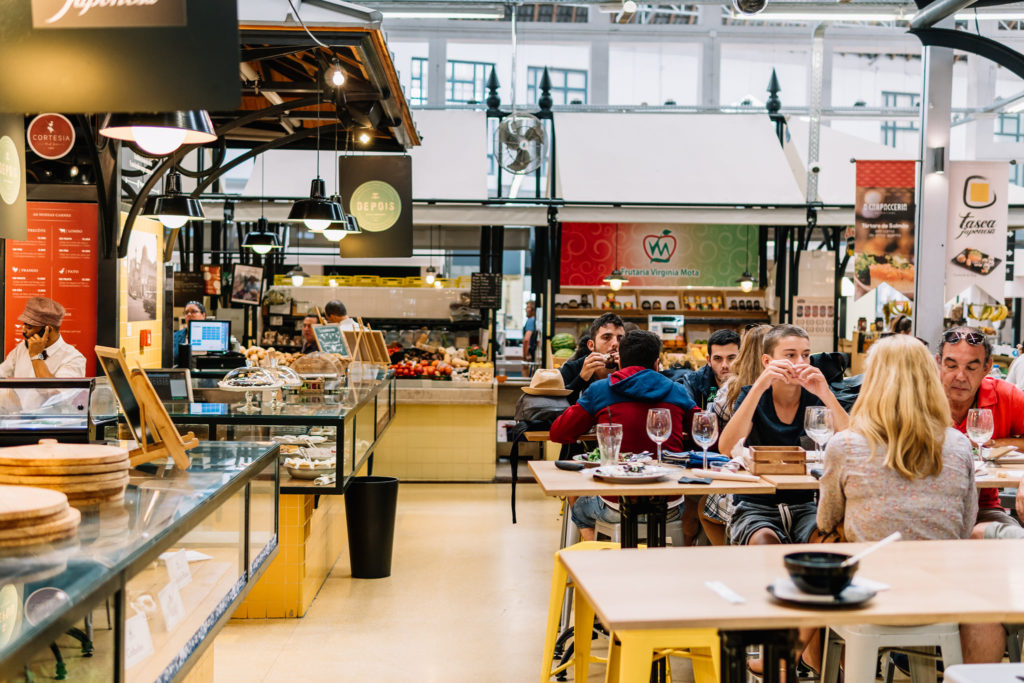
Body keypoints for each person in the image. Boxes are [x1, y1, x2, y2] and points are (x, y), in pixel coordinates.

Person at [817, 335, 977, 543]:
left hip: (870, 569)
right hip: (941, 569)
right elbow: (965, 526)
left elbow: (826, 521)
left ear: (872, 380)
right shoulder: (959, 444)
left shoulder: (845, 445)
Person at [550, 330, 696, 541]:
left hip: (613, 507)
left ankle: (596, 559)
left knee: (579, 506)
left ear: (620, 362)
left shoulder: (600, 390)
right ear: (657, 364)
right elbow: (706, 433)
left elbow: (558, 432)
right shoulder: (677, 391)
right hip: (670, 507)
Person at [719, 324, 850, 546]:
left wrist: (825, 393)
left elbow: (852, 442)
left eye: (806, 355)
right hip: (755, 505)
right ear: (768, 362)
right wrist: (759, 386)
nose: (800, 363)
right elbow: (727, 448)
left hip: (805, 504)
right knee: (765, 544)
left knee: (830, 545)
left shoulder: (816, 396)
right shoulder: (753, 395)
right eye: (790, 355)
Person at [935, 327, 1024, 539]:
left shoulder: (1005, 396)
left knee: (1014, 543)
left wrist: (996, 444)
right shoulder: (919, 396)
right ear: (938, 363)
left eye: (971, 367)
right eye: (951, 365)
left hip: (983, 511)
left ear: (987, 368)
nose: (960, 376)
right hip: (926, 508)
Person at [558, 313, 625, 405]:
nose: (615, 343)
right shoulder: (571, 369)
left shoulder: (629, 369)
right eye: (607, 337)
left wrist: (625, 378)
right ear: (591, 345)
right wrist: (581, 379)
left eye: (620, 339)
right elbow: (560, 406)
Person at [678, 329, 740, 410]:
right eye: (718, 358)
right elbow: (688, 415)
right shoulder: (693, 382)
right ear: (708, 360)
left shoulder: (749, 382)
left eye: (731, 358)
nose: (724, 365)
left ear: (740, 358)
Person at [172, 300, 206, 366]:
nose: (189, 314)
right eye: (186, 312)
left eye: (194, 311)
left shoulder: (210, 336)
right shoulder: (174, 337)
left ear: (203, 315)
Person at [522, 300, 538, 375]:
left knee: (526, 375)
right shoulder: (534, 320)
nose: (526, 309)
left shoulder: (530, 321)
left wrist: (524, 356)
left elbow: (526, 340)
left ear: (533, 310)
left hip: (529, 354)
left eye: (528, 307)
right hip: (532, 353)